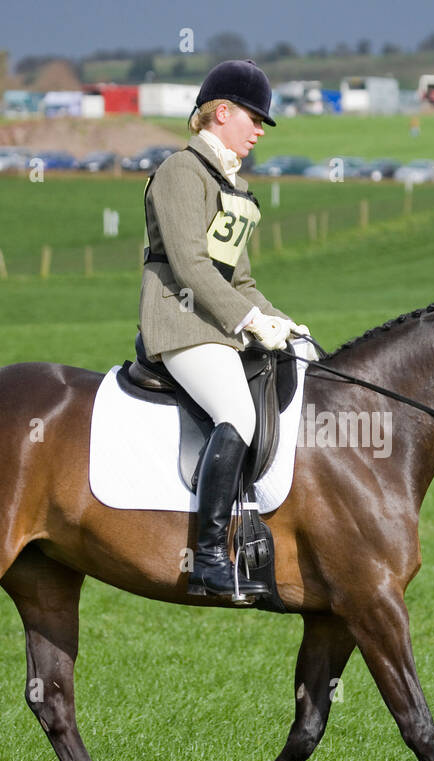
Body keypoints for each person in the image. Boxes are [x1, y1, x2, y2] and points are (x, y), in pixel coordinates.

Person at [138, 58, 306, 599]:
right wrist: (248, 321)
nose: (260, 130)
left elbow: (243, 279)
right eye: (254, 118)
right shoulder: (180, 172)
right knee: (235, 410)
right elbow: (189, 266)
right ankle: (209, 556)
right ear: (222, 112)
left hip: (217, 324)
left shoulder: (232, 185)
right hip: (180, 322)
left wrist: (282, 323)